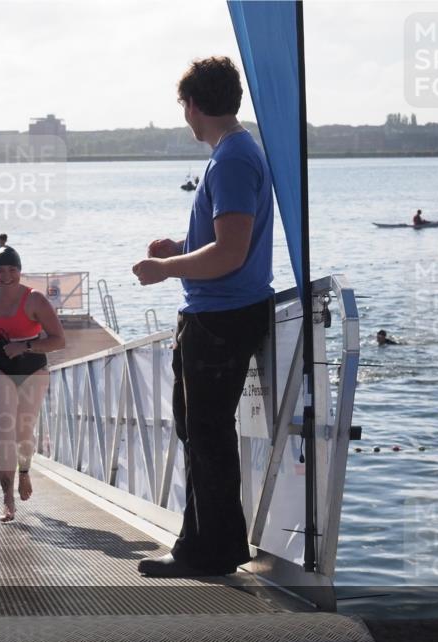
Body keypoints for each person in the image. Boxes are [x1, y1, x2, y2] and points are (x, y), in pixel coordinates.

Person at [132, 56, 274, 577]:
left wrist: (165, 268)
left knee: (207, 435)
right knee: (201, 433)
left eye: (184, 106)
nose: (185, 116)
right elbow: (227, 243)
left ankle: (206, 551)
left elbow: (231, 253)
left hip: (221, 317)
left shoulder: (232, 159)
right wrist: (182, 247)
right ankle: (212, 544)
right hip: (223, 311)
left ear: (193, 105)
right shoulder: (236, 153)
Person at [0, 247, 66, 522]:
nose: (6, 275)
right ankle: (7, 498)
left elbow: (58, 340)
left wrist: (25, 346)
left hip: (31, 368)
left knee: (23, 431)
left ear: (20, 271)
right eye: (0, 270)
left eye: (12, 269)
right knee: (3, 429)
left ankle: (24, 472)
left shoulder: (35, 300)